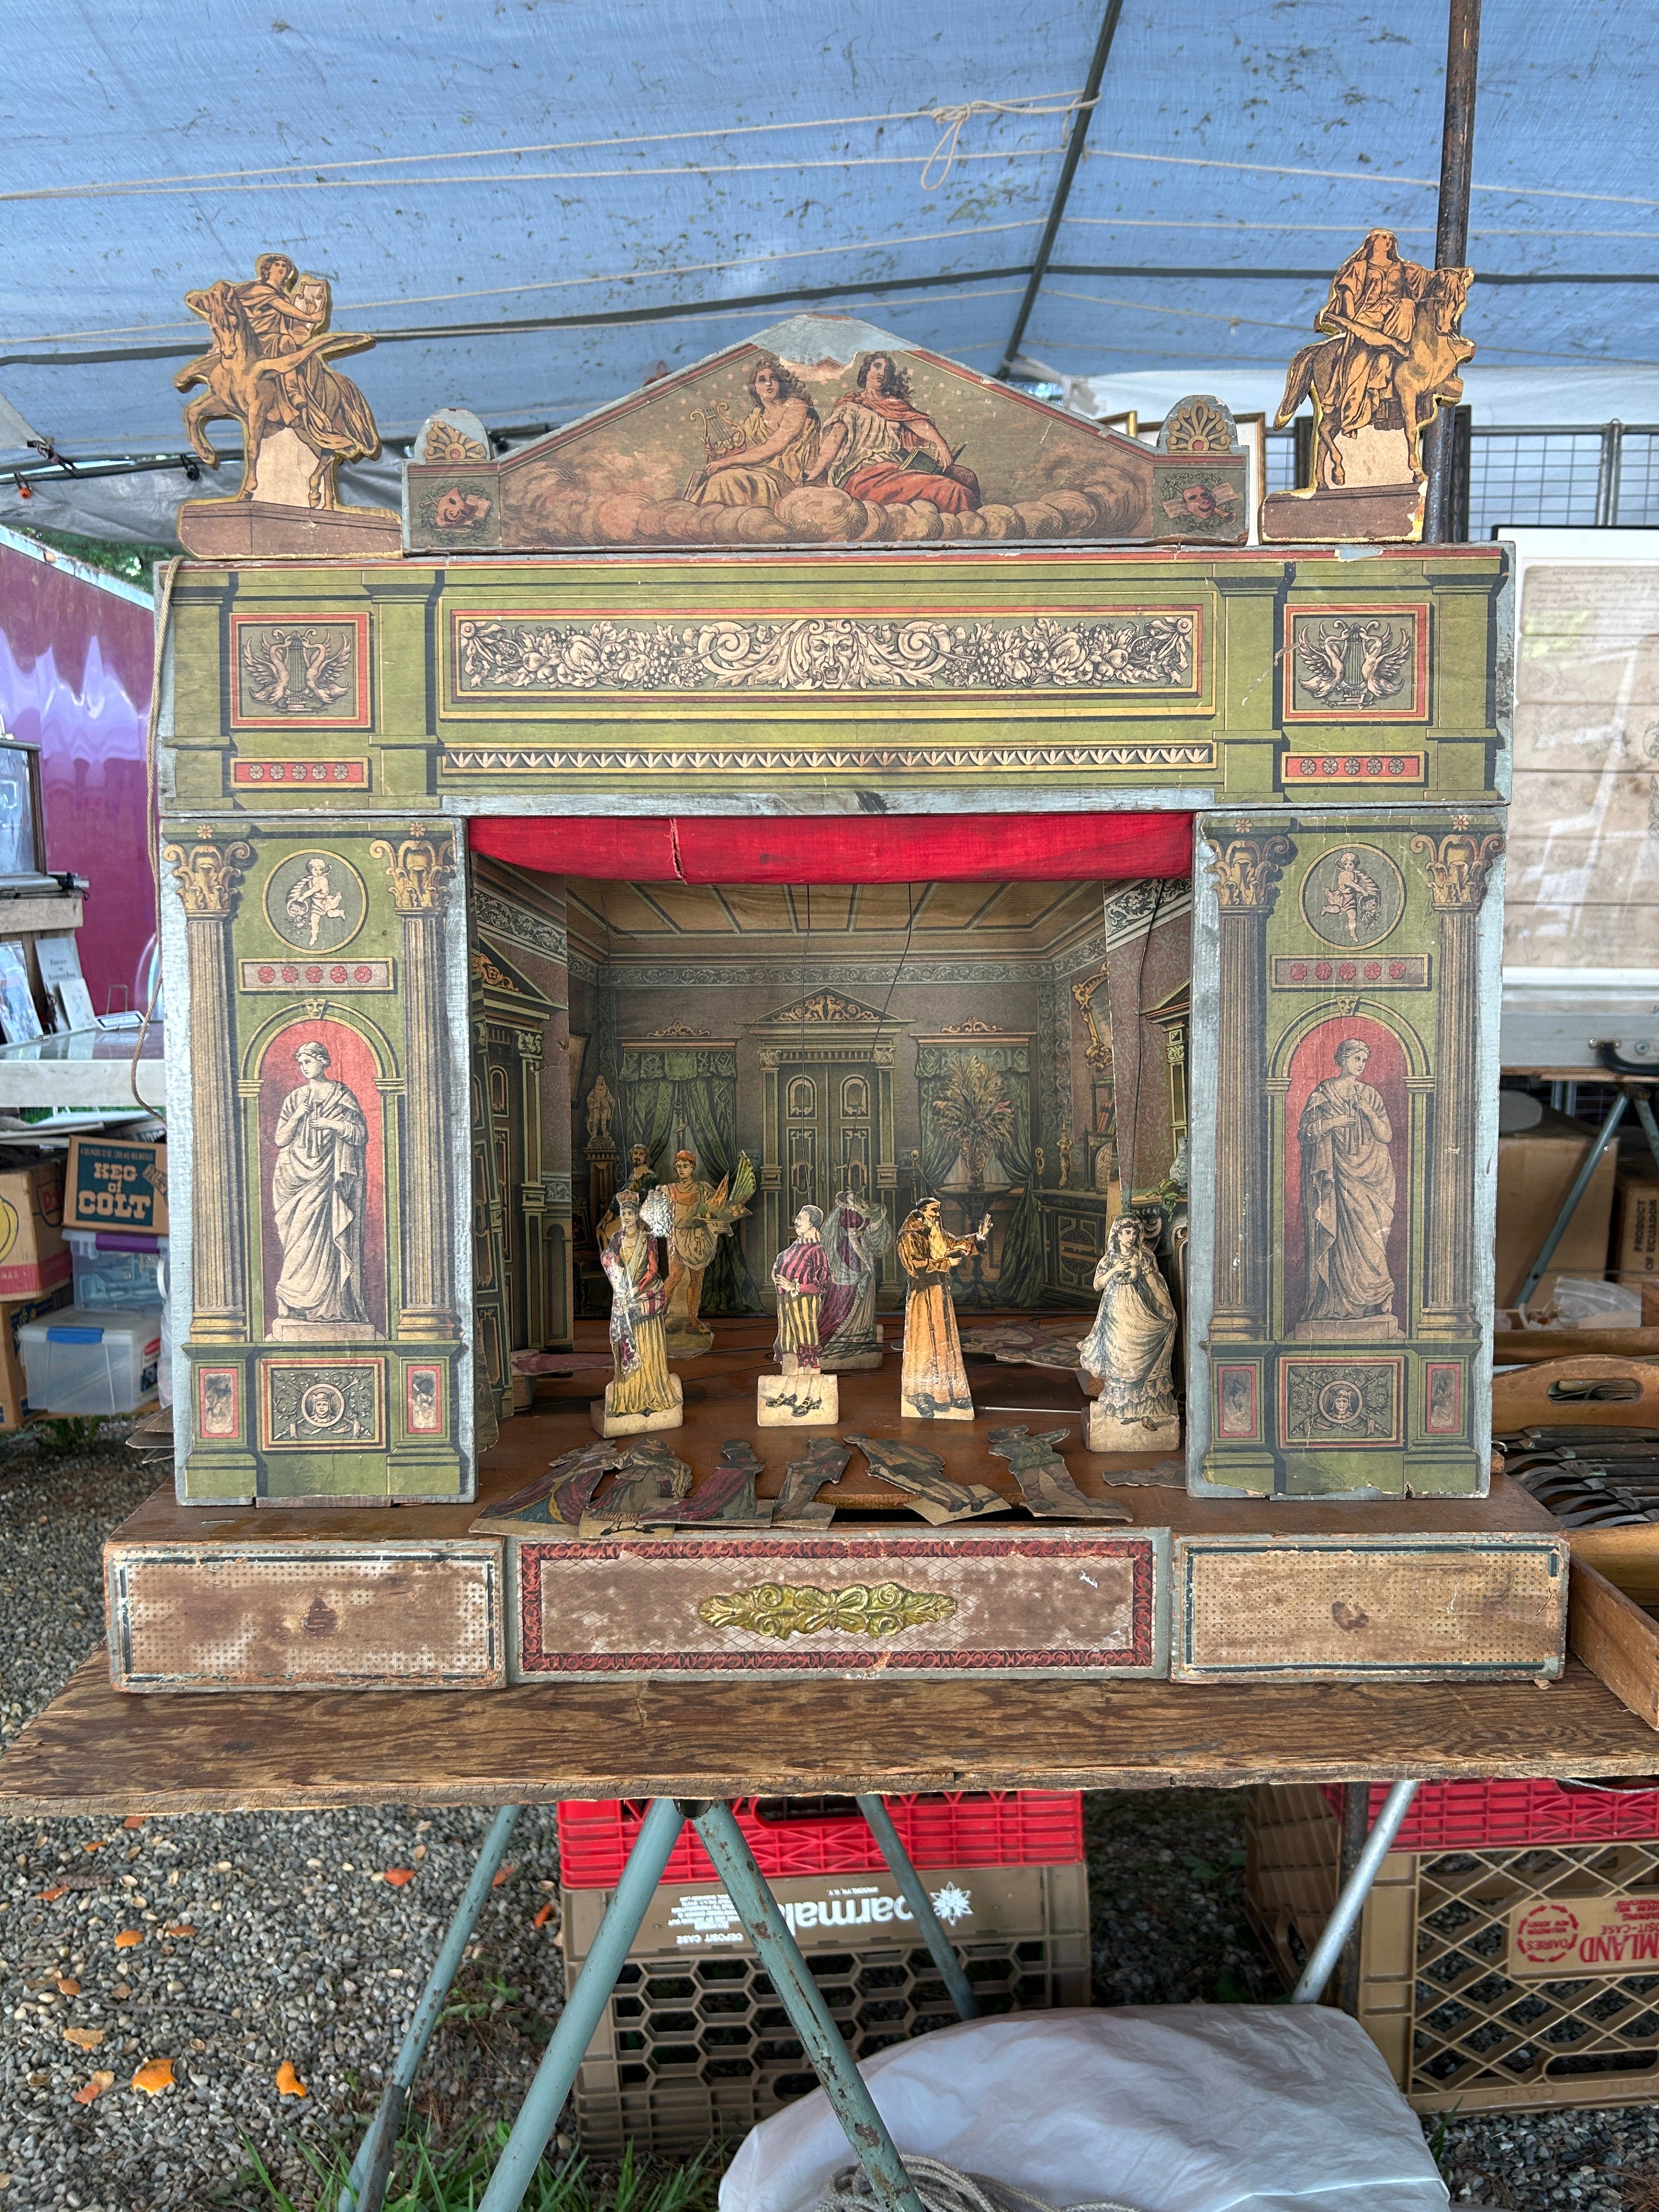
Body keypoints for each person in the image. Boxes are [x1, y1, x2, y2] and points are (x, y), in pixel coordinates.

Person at [1297, 1037, 1396, 1325]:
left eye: (1364, 1060)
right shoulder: (1324, 1093)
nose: (1361, 1065)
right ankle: (1338, 1303)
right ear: (1342, 1060)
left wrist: (1366, 1110)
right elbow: (1305, 1133)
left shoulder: (1371, 1095)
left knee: (1370, 1238)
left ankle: (1376, 1296)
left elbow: (1386, 1135)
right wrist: (1334, 1123)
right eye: (1356, 1059)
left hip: (1371, 1177)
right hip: (1337, 1176)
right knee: (1339, 1236)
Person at [270, 1041, 369, 1328]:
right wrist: (299, 1115)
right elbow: (281, 1139)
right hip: (296, 1178)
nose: (304, 1068)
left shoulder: (341, 1095)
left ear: (323, 1062)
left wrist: (332, 1125)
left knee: (329, 1238)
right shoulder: (295, 1098)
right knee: (298, 1240)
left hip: (329, 1179)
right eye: (301, 1063)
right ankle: (293, 1299)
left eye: (309, 1061)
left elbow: (360, 1134)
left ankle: (331, 1306)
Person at [809, 352, 980, 512]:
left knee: (967, 478)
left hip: (898, 469)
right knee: (952, 491)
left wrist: (941, 445)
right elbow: (835, 438)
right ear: (866, 372)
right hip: (868, 476)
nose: (882, 373)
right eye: (877, 367)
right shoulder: (851, 406)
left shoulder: (894, 405)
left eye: (887, 370)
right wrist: (816, 471)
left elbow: (918, 424)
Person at [1079, 1215, 1178, 1431]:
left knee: (1141, 1359)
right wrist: (1115, 1269)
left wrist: (1167, 1308)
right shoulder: (1109, 1259)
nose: (1131, 1237)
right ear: (1118, 1234)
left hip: (1139, 1312)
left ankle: (1145, 1413)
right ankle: (1124, 1411)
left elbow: (1154, 1285)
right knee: (1120, 1360)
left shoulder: (1144, 1256)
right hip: (1116, 1314)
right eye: (1127, 1232)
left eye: (1134, 1233)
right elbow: (1097, 1285)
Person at [896, 1197, 986, 1418]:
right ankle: (922, 1395)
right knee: (923, 1343)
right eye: (934, 1211)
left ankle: (947, 1393)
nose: (938, 1215)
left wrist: (979, 1237)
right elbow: (915, 1266)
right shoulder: (909, 1235)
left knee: (945, 1340)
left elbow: (956, 1244)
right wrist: (946, 1263)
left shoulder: (936, 1231)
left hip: (940, 1293)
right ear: (921, 1212)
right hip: (922, 1295)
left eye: (939, 1211)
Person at [690, 356, 820, 507]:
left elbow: (773, 446)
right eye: (762, 380)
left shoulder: (796, 407)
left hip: (786, 480)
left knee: (725, 480)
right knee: (716, 481)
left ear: (781, 382)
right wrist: (716, 451)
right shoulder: (756, 417)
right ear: (755, 388)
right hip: (759, 474)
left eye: (773, 378)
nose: (769, 384)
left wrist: (725, 461)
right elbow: (739, 444)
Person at [600, 1187, 674, 1418]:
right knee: (627, 1348)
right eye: (624, 1213)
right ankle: (629, 1398)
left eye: (631, 1213)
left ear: (637, 1215)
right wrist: (619, 1282)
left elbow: (653, 1269)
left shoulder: (648, 1239)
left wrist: (636, 1289)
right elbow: (607, 1259)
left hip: (645, 1297)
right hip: (625, 1299)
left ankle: (650, 1395)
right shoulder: (617, 1239)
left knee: (647, 1347)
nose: (627, 1217)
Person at [820, 1189, 891, 1364]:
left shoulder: (861, 1209)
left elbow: (868, 1229)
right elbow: (853, 1240)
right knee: (845, 1295)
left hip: (860, 1252)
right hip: (849, 1255)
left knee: (863, 1294)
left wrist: (867, 1262)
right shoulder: (846, 1213)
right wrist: (865, 1263)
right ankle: (836, 1340)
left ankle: (860, 1336)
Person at [771, 1205, 833, 1372]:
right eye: (797, 1218)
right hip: (785, 1303)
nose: (796, 1221)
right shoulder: (794, 1247)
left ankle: (810, 1379)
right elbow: (780, 1265)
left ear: (812, 1224)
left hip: (805, 1306)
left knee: (805, 1343)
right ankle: (790, 1379)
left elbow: (821, 1284)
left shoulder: (817, 1250)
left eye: (800, 1218)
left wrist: (794, 1286)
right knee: (787, 1344)